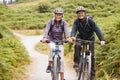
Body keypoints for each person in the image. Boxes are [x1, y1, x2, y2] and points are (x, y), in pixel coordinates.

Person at [70, 6, 105, 80]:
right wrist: (72, 36)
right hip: (80, 37)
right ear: (77, 14)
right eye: (79, 13)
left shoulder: (90, 21)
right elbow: (74, 29)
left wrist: (102, 39)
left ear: (84, 13)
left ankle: (92, 75)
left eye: (82, 13)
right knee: (77, 45)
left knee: (91, 56)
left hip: (90, 39)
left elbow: (97, 30)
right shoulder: (76, 21)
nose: (80, 14)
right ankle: (76, 62)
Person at [41, 8, 72, 80]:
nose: (58, 16)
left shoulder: (64, 23)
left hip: (60, 42)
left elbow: (67, 31)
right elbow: (46, 30)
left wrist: (68, 37)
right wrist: (44, 38)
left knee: (61, 61)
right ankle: (49, 65)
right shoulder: (50, 22)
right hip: (51, 40)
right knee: (52, 49)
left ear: (62, 16)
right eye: (57, 15)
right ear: (54, 15)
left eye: (60, 15)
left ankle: (62, 78)